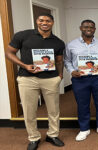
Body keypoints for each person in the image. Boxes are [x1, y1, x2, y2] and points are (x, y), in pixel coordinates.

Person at [5, 14, 65, 150]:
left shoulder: (58, 42)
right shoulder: (23, 36)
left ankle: (53, 135)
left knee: (54, 110)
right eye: (41, 20)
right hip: (27, 78)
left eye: (48, 21)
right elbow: (9, 53)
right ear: (37, 21)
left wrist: (60, 76)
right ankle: (33, 138)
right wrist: (24, 65)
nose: (45, 23)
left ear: (52, 23)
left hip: (50, 79)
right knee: (29, 110)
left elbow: (60, 61)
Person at [64, 19, 98, 141]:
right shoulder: (71, 45)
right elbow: (67, 60)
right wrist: (71, 71)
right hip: (80, 79)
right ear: (81, 28)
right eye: (85, 26)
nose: (88, 28)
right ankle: (84, 129)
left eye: (91, 27)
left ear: (94, 29)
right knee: (82, 104)